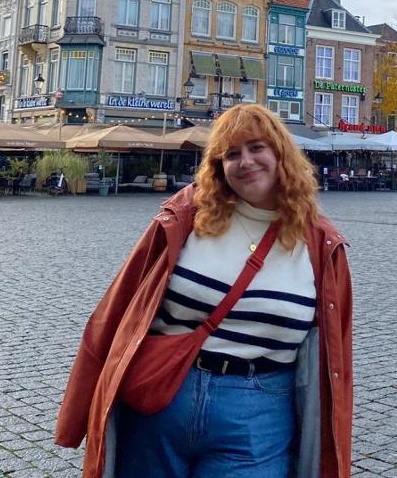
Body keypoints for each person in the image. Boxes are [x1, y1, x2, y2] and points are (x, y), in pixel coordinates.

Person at [55, 103, 353, 478]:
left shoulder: (321, 245)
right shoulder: (185, 219)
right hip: (161, 399)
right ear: (218, 166)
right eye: (231, 154)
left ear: (281, 154)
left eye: (256, 148)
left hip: (256, 414)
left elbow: (336, 357)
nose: (245, 161)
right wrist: (76, 416)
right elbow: (114, 312)